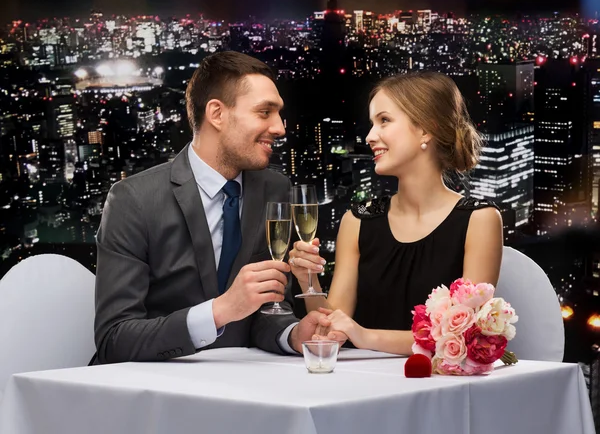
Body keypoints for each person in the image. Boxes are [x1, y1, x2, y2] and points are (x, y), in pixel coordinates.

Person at [94, 51, 332, 364]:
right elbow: (114, 339)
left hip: (242, 386)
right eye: (265, 113)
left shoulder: (274, 189)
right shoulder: (134, 199)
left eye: (279, 114)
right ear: (216, 114)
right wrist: (220, 311)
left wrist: (291, 335)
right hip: (153, 392)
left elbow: (268, 310)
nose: (280, 128)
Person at [288, 71, 503, 355]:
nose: (369, 136)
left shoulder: (480, 220)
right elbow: (331, 328)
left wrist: (364, 336)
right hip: (362, 385)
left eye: (384, 121)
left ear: (426, 129)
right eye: (372, 123)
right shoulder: (357, 220)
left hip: (437, 389)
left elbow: (463, 338)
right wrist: (309, 281)